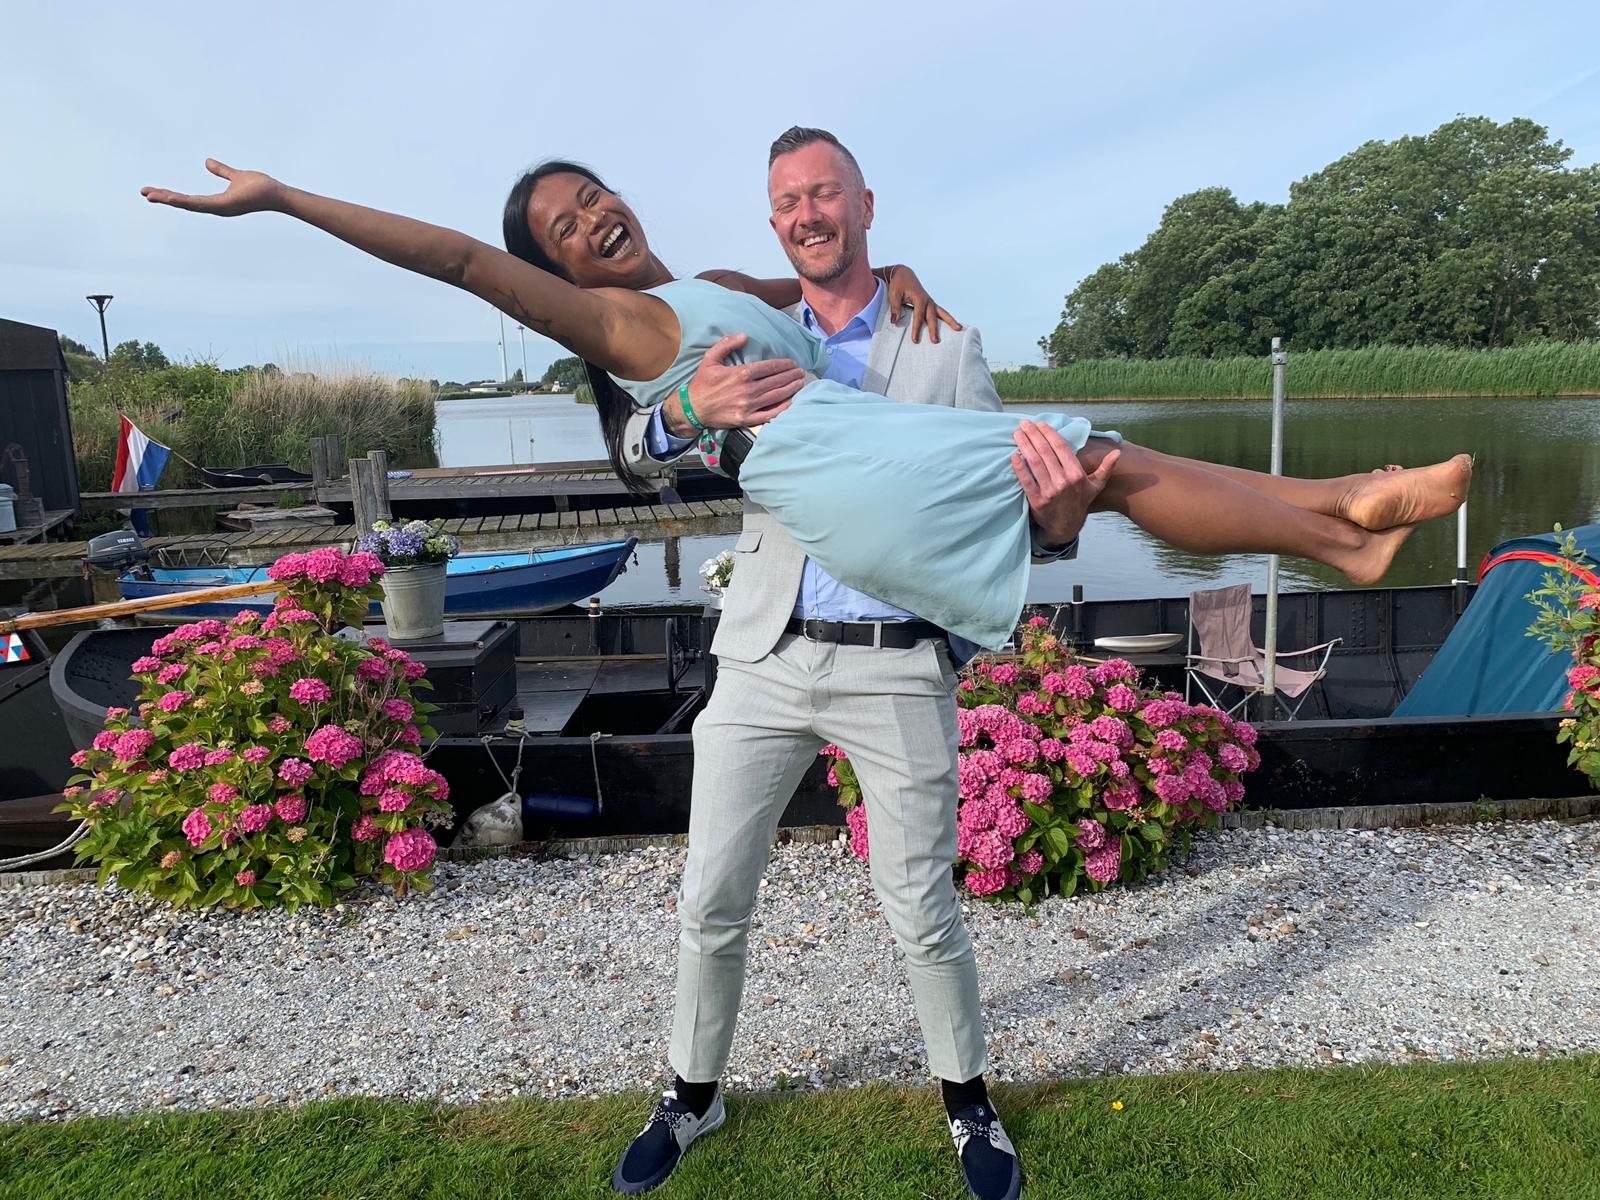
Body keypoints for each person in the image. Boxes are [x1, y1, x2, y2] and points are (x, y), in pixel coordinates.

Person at [142, 148, 1472, 1200]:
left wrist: (905, 287)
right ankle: (691, 1092)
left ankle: (968, 1101)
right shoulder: (619, 334)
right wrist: (286, 202)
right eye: (561, 226)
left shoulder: (756, 290)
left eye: (591, 194)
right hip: (769, 651)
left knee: (1088, 487)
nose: (591, 218)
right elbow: (469, 277)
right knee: (712, 897)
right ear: (553, 267)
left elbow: (898, 375)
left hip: (893, 623)